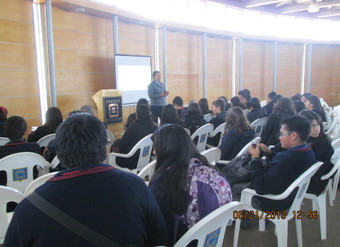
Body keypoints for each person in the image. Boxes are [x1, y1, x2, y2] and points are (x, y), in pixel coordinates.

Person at [4, 113, 168, 247]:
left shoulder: (31, 207)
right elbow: (159, 240)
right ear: (105, 150)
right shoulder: (136, 187)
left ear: (59, 154)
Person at [149, 124, 232, 246]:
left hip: (183, 241)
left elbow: (154, 223)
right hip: (210, 239)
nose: (154, 152)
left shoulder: (164, 181)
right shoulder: (208, 170)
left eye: (156, 147)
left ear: (167, 149)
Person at [249, 115, 316, 211]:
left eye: (281, 134)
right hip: (291, 196)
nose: (279, 137)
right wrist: (270, 153)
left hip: (274, 201)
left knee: (234, 188)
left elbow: (260, 187)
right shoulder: (308, 150)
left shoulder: (287, 158)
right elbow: (283, 167)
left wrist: (255, 158)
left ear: (293, 135)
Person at [299, 110, 334, 196]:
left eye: (318, 124)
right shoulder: (312, 139)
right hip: (313, 178)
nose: (316, 129)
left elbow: (308, 167)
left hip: (313, 182)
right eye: (312, 126)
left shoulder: (323, 144)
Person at [0, 116, 41, 185]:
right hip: (30, 187)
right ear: (24, 131)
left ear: (6, 132)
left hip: (5, 192)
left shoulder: (1, 151)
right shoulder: (35, 147)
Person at [116, 104, 158, 170]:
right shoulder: (153, 126)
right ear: (149, 114)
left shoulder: (133, 126)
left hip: (131, 160)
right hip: (146, 159)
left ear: (137, 114)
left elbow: (122, 146)